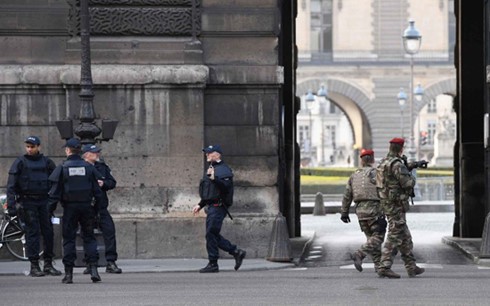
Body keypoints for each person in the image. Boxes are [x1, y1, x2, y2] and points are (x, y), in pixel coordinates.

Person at [48, 138, 103, 284]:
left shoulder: (63, 167)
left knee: (69, 239)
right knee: (89, 237)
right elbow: (98, 192)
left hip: (70, 208)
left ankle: (69, 274)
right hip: (87, 207)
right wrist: (97, 209)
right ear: (80, 151)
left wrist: (49, 211)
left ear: (67, 150)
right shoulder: (89, 167)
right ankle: (93, 269)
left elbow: (54, 193)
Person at [6, 136, 62, 277]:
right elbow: (11, 186)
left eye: (32, 147)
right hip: (27, 202)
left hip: (44, 202)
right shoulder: (20, 162)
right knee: (32, 234)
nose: (29, 149)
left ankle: (48, 264)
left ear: (39, 147)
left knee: (48, 233)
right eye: (28, 147)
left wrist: (53, 201)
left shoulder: (46, 162)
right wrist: (11, 205)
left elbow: (56, 183)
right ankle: (34, 265)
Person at [375, 137, 425, 278]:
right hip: (396, 204)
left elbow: (389, 178)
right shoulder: (397, 164)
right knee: (394, 235)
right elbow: (407, 183)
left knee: (405, 237)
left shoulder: (383, 162)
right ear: (401, 148)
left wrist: (411, 165)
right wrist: (412, 176)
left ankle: (411, 266)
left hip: (387, 203)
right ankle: (384, 266)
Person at [192, 144, 246, 273]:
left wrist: (214, 178)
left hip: (218, 207)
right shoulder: (211, 168)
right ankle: (235, 252)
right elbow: (209, 192)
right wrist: (200, 205)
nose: (207, 155)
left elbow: (225, 187)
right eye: (206, 153)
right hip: (212, 207)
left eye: (209, 153)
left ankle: (214, 263)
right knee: (212, 234)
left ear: (217, 154)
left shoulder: (223, 169)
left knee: (211, 234)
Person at [340, 149, 386, 273]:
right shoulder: (376, 173)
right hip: (374, 210)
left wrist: (344, 212)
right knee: (378, 237)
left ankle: (379, 267)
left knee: (371, 238)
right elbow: (384, 191)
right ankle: (359, 254)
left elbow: (347, 195)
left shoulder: (354, 175)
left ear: (361, 160)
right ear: (372, 159)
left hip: (360, 212)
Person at [81, 144, 122, 274]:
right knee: (87, 235)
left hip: (101, 207)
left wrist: (103, 184)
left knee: (109, 232)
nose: (97, 154)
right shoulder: (80, 167)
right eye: (94, 152)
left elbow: (112, 183)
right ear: (86, 154)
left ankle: (110, 262)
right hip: (87, 207)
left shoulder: (102, 167)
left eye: (97, 152)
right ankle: (90, 263)